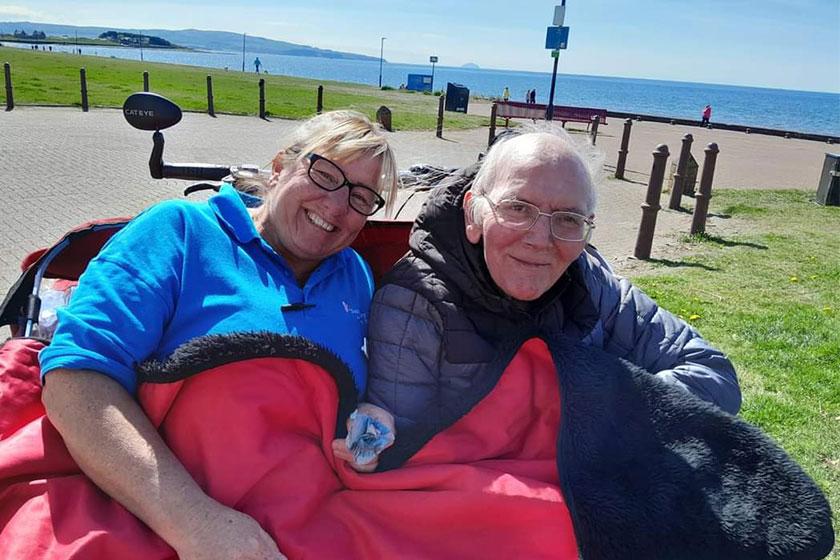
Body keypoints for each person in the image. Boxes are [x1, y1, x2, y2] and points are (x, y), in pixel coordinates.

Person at [39, 110, 398, 560]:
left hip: (312, 522)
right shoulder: (180, 231)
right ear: (279, 167)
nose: (338, 206)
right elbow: (75, 382)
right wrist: (195, 523)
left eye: (362, 197)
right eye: (324, 174)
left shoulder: (356, 277)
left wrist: (368, 421)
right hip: (163, 515)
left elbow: (342, 396)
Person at [366, 127, 742, 458]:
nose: (541, 240)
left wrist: (611, 404)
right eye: (518, 207)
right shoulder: (413, 304)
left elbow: (713, 373)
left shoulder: (591, 282)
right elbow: (404, 457)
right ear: (474, 215)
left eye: (567, 219)